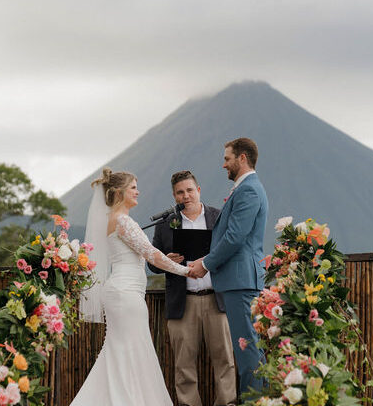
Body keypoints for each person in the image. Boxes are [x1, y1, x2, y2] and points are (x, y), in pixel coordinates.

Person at [71, 168, 190, 406]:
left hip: (123, 293)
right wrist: (187, 271)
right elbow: (151, 254)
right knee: (131, 352)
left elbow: (146, 253)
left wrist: (168, 260)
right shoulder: (123, 221)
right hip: (125, 296)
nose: (138, 191)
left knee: (122, 352)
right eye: (133, 187)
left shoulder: (115, 220)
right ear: (119, 192)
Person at [187, 137, 269, 398]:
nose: (224, 165)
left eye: (227, 158)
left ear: (242, 158)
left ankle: (256, 402)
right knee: (249, 349)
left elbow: (235, 236)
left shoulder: (249, 190)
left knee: (249, 352)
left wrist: (206, 263)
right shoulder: (245, 188)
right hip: (239, 281)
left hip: (241, 281)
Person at [148, 170, 236, 406]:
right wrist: (166, 259)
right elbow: (152, 264)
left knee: (225, 360)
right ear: (174, 196)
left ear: (198, 190)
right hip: (182, 302)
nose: (185, 196)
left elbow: (233, 252)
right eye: (180, 192)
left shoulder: (219, 217)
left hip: (216, 300)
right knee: (183, 364)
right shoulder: (166, 225)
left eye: (189, 190)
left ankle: (227, 403)